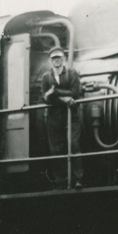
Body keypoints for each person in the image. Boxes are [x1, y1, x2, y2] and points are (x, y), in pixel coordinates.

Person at [40, 46, 83, 188]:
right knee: (56, 150)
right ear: (49, 61)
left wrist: (55, 92)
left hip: (71, 115)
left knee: (73, 145)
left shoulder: (72, 73)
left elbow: (75, 93)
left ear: (63, 59)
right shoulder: (46, 77)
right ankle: (61, 182)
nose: (56, 60)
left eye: (59, 57)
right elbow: (45, 98)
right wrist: (64, 98)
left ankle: (78, 180)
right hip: (54, 117)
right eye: (54, 58)